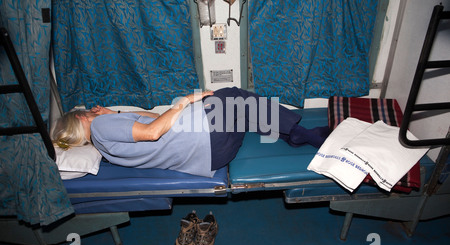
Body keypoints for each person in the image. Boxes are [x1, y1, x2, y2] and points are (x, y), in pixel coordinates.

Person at [51, 87, 329, 177]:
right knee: (233, 95)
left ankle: (288, 131)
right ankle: (298, 132)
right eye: (90, 110)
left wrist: (117, 114)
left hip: (215, 156)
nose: (95, 110)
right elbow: (152, 133)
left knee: (242, 113)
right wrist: (188, 99)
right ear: (80, 117)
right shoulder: (100, 127)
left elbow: (157, 120)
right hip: (208, 134)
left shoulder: (104, 149)